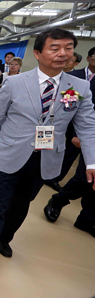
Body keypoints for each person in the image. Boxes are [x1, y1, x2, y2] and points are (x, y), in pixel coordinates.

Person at [0, 28, 95, 283]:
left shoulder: (78, 86)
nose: (63, 53)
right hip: (8, 153)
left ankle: (4, 238)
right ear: (37, 53)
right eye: (55, 48)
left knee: (21, 205)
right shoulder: (15, 82)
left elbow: (87, 126)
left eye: (68, 48)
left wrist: (92, 161)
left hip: (45, 157)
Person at [44, 47, 95, 191]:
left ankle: (55, 177)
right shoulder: (74, 76)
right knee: (53, 147)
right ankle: (45, 171)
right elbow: (66, 104)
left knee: (70, 155)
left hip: (85, 124)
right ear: (89, 58)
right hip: (63, 121)